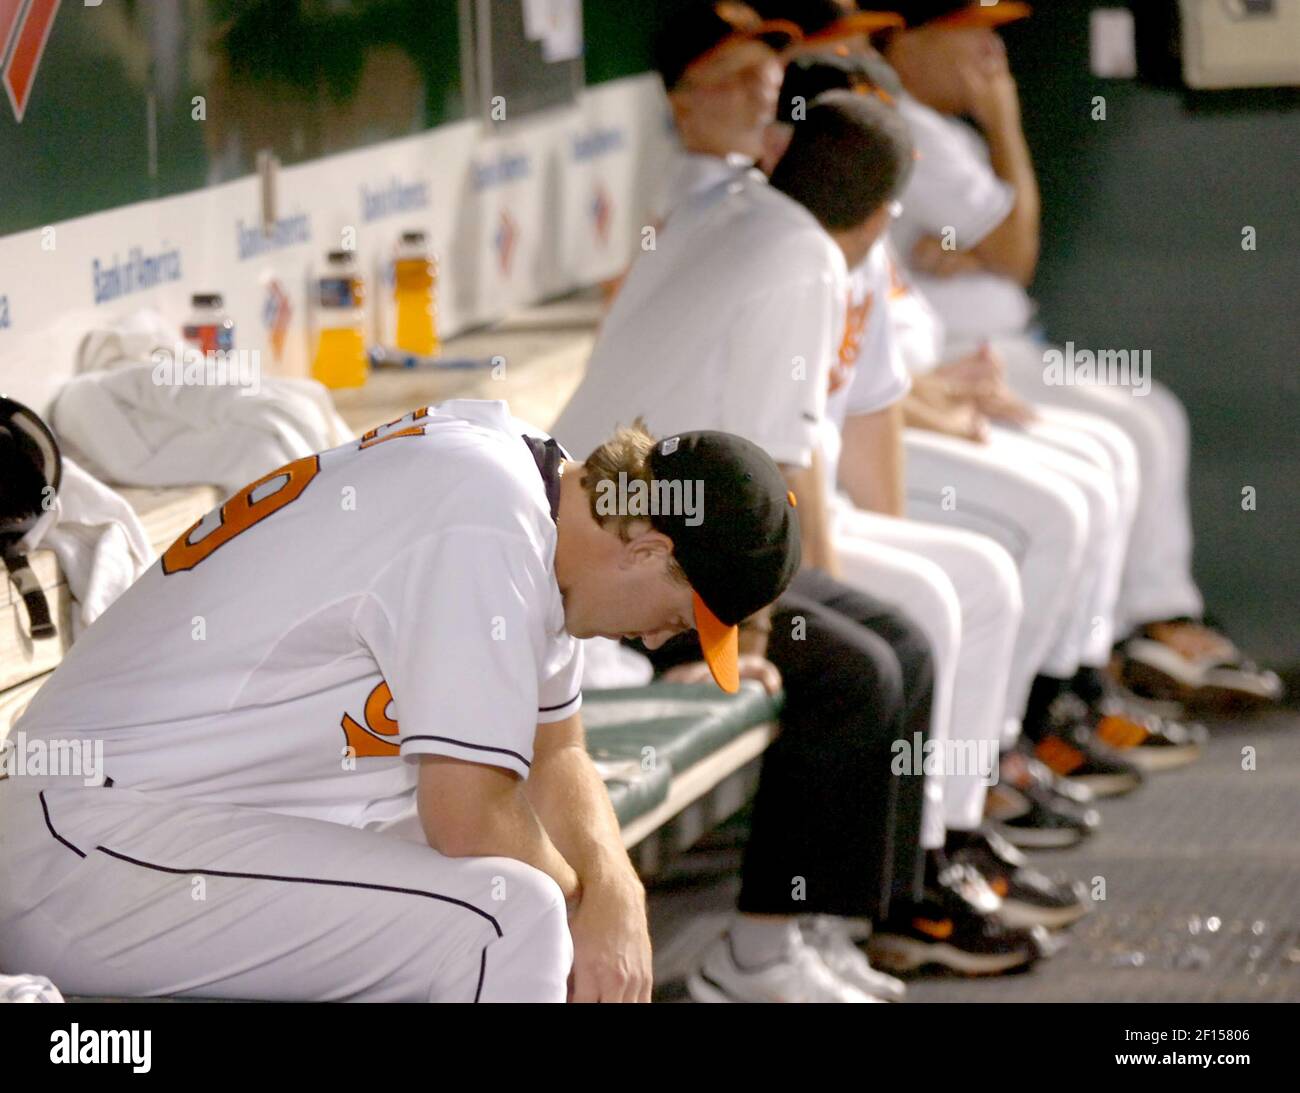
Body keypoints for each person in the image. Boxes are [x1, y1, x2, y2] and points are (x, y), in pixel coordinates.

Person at [0, 398, 801, 1003]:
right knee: (507, 915)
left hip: (188, 826)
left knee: (506, 893)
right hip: (86, 845)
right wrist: (587, 905)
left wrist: (614, 884)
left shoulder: (546, 502)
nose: (664, 642)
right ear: (650, 548)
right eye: (680, 615)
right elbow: (471, 818)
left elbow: (559, 751)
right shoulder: (490, 517)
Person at [556, 90, 1046, 985]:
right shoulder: (802, 254)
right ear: (880, 215)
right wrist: (750, 636)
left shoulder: (743, 209)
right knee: (853, 672)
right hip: (644, 570)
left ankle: (841, 923)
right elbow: (772, 478)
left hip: (665, 533)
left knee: (897, 638)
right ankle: (762, 947)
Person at [879, 0, 1282, 711]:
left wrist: (982, 247)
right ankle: (1123, 650)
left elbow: (1003, 251)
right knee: (1121, 441)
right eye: (970, 29)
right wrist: (1003, 120)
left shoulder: (932, 127)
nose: (991, 49)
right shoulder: (907, 127)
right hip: (954, 362)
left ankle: (1144, 634)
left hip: (994, 348)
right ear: (907, 42)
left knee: (1148, 418)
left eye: (996, 29)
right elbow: (1018, 252)